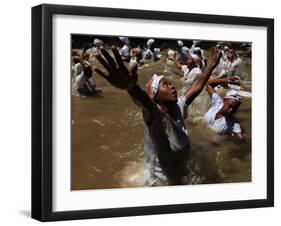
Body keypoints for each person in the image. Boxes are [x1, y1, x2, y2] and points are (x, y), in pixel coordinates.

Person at [94, 46, 222, 186]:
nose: (172, 86)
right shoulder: (155, 115)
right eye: (165, 85)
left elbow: (197, 86)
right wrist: (131, 87)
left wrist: (211, 65)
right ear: (155, 95)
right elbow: (145, 103)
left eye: (171, 83)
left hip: (178, 173)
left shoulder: (178, 106)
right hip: (158, 183)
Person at [204, 76, 245, 141]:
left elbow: (242, 140)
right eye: (230, 106)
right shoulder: (217, 102)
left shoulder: (233, 123)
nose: (231, 110)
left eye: (235, 109)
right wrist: (226, 80)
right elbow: (208, 84)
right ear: (224, 100)